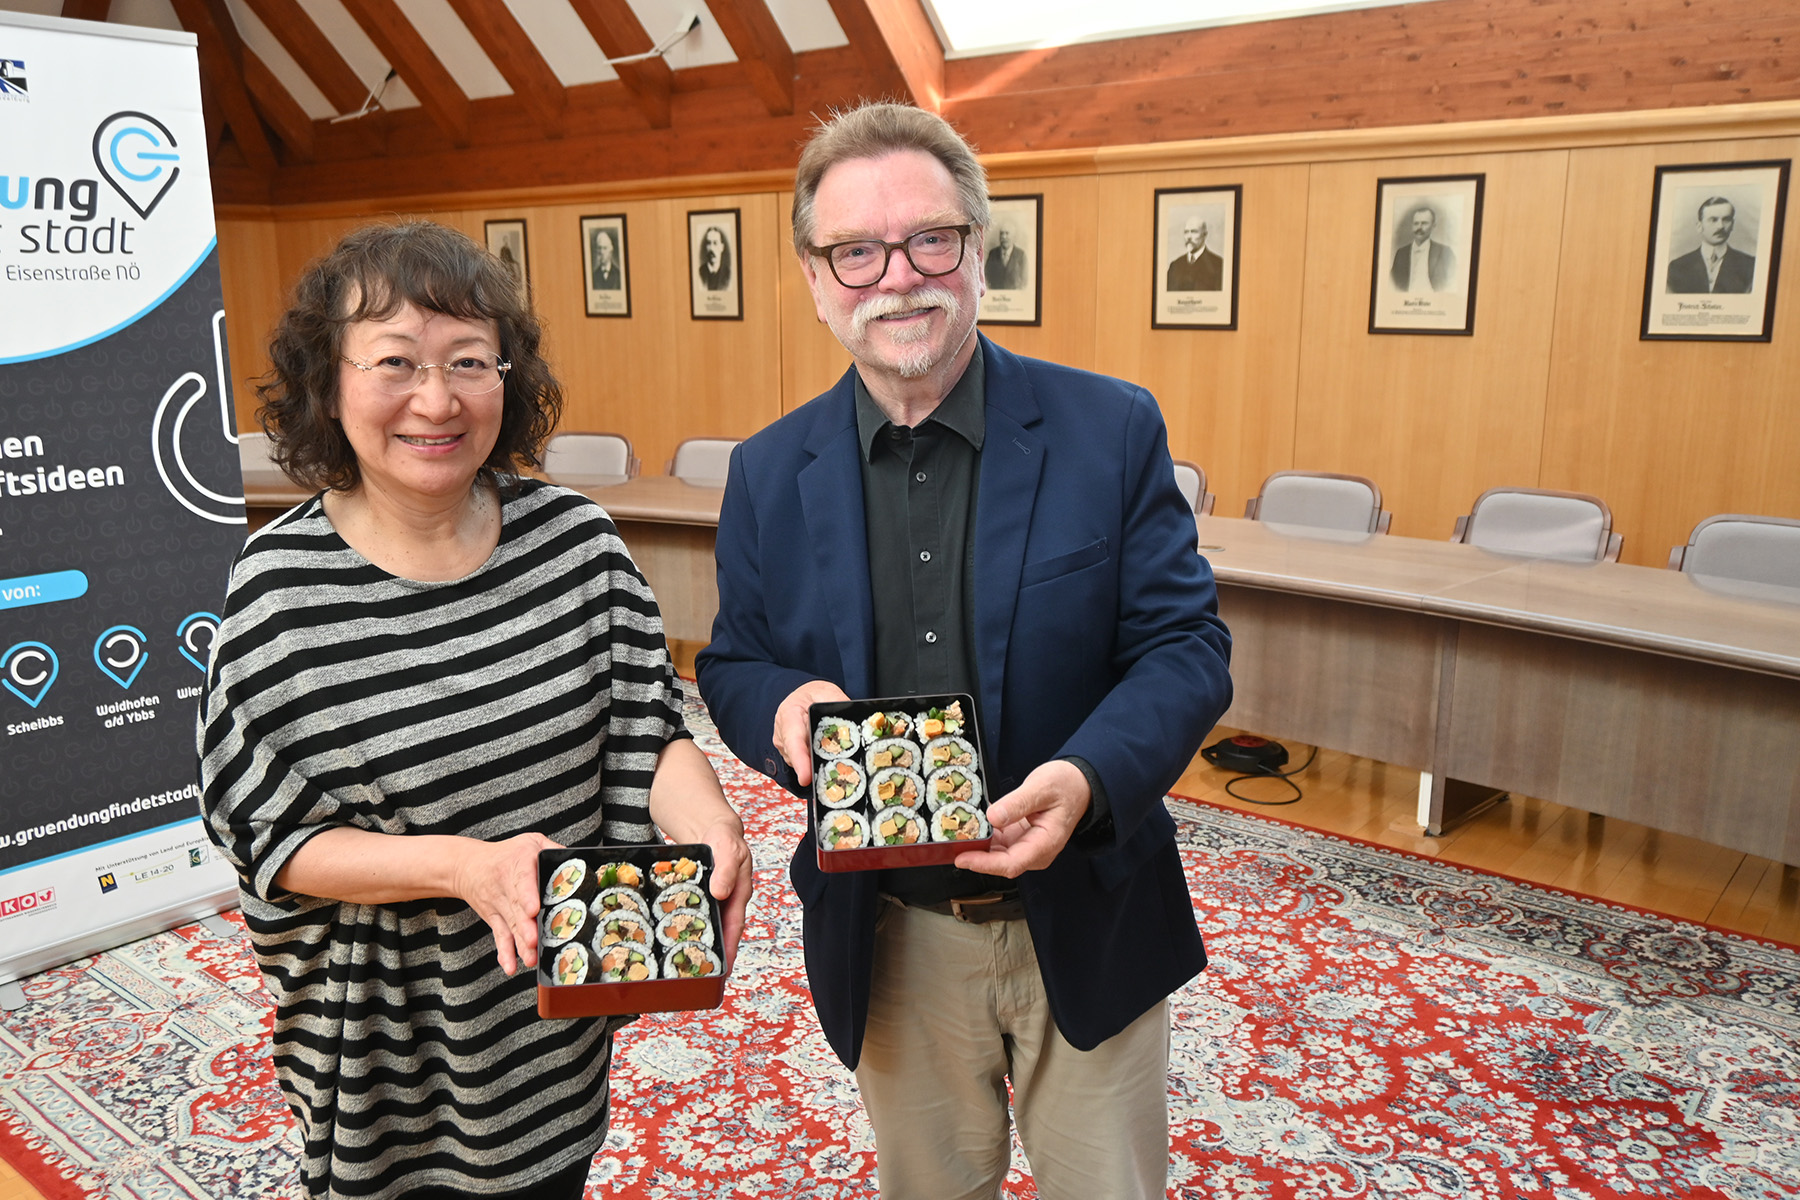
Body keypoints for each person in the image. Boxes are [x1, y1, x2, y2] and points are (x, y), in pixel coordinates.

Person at [696, 102, 1232, 1200]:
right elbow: (733, 661)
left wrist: (1086, 782)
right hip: (890, 935)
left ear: (980, 253)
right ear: (815, 277)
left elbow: (1186, 647)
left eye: (929, 239)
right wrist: (782, 704)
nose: (897, 277)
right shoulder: (764, 473)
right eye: (856, 250)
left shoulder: (1111, 429)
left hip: (1087, 903)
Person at [198, 221, 752, 1200]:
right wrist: (462, 867)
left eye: (468, 362)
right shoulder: (280, 590)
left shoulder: (576, 543)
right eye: (395, 363)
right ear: (330, 382)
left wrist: (709, 819)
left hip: (548, 1023)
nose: (437, 400)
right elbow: (270, 837)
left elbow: (646, 724)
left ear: (511, 375)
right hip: (393, 1051)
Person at [1666, 196, 1756, 293]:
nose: (1720, 226)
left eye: (1726, 219)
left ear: (1732, 225)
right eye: (1713, 220)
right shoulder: (1678, 267)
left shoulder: (1749, 265)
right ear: (1699, 226)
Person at [1389, 203, 1455, 292]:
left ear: (1433, 226)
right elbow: (1392, 285)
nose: (1419, 227)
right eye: (1416, 223)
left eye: (1424, 223)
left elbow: (1452, 284)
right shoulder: (1401, 253)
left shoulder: (1445, 252)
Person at [1165, 216, 1222, 290]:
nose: (1189, 237)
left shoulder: (1218, 265)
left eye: (1194, 232)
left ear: (1205, 235)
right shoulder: (1175, 265)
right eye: (1186, 232)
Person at [983, 222, 1027, 289]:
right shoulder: (992, 254)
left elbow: (1024, 281)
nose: (1003, 237)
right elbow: (986, 276)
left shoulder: (1021, 255)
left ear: (1013, 237)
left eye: (1007, 233)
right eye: (1001, 233)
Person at [698, 226, 732, 291]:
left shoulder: (729, 275)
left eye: (715, 243)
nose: (711, 248)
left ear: (722, 247)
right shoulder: (699, 273)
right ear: (705, 247)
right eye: (709, 243)